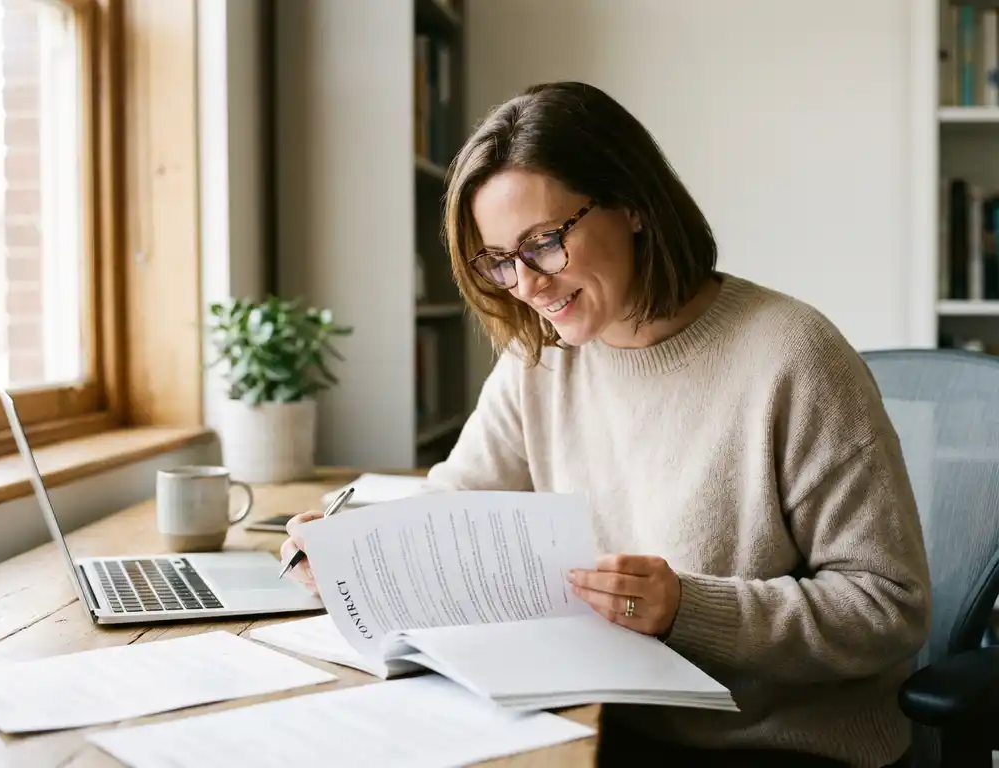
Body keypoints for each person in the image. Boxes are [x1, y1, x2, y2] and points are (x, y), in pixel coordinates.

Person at [281, 81, 931, 767]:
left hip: (777, 745)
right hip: (598, 719)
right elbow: (456, 511)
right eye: (500, 259)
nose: (526, 284)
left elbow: (888, 608)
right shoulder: (539, 359)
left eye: (544, 242)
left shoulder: (794, 356)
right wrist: (358, 554)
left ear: (633, 206)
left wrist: (687, 608)